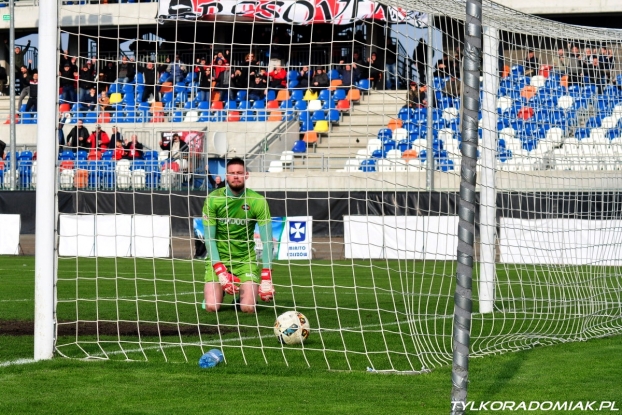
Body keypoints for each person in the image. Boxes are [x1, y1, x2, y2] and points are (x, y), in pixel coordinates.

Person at [202, 157, 275, 313]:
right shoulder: (213, 199)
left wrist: (266, 276)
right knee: (211, 307)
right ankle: (217, 291)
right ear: (226, 176)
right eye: (232, 173)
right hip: (219, 258)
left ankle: (239, 298)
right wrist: (220, 270)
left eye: (239, 173)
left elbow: (267, 241)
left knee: (248, 308)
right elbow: (209, 238)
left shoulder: (258, 201)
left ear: (246, 175)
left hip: (245, 259)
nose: (236, 176)